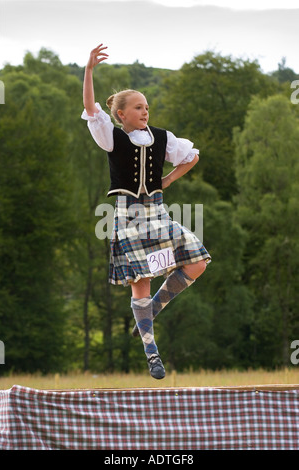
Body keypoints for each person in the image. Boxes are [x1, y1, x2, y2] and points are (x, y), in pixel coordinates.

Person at [82, 44, 211, 379]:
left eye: (147, 107)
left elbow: (191, 157)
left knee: (197, 262)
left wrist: (167, 179)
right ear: (122, 114)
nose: (145, 111)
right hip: (128, 217)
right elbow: (90, 108)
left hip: (158, 213)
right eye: (138, 107)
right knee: (139, 282)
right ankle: (152, 354)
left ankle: (151, 311)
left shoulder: (161, 138)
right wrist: (89, 70)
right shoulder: (111, 137)